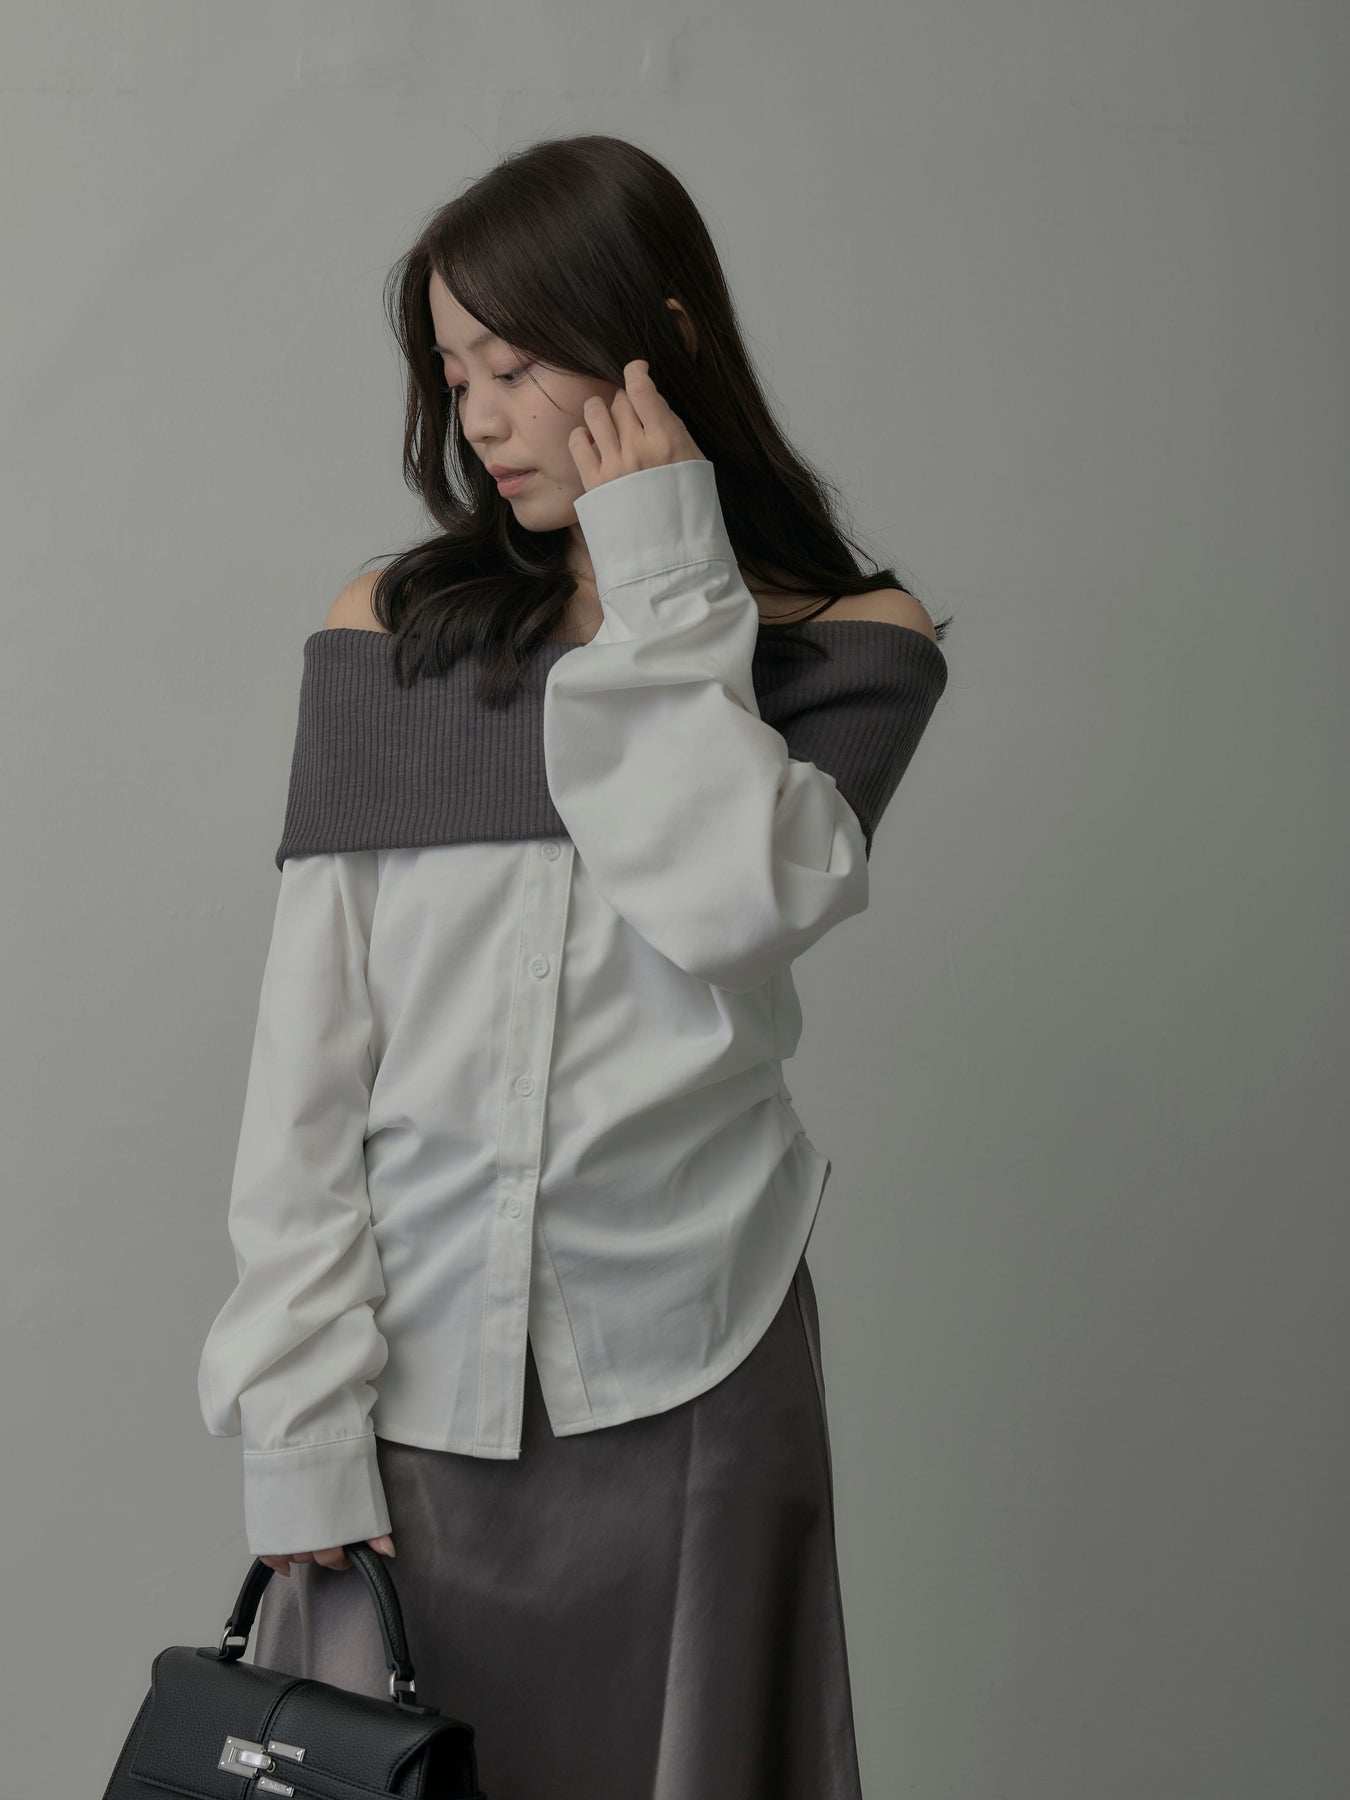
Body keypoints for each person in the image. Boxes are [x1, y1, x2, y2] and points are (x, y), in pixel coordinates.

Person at [197, 132, 949, 1800]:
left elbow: (730, 908)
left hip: (696, 1366)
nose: (478, 416)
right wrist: (295, 1423)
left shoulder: (848, 644)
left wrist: (663, 576)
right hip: (403, 1391)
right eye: (453, 373)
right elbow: (308, 1062)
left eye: (515, 363)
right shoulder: (391, 628)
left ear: (652, 339)